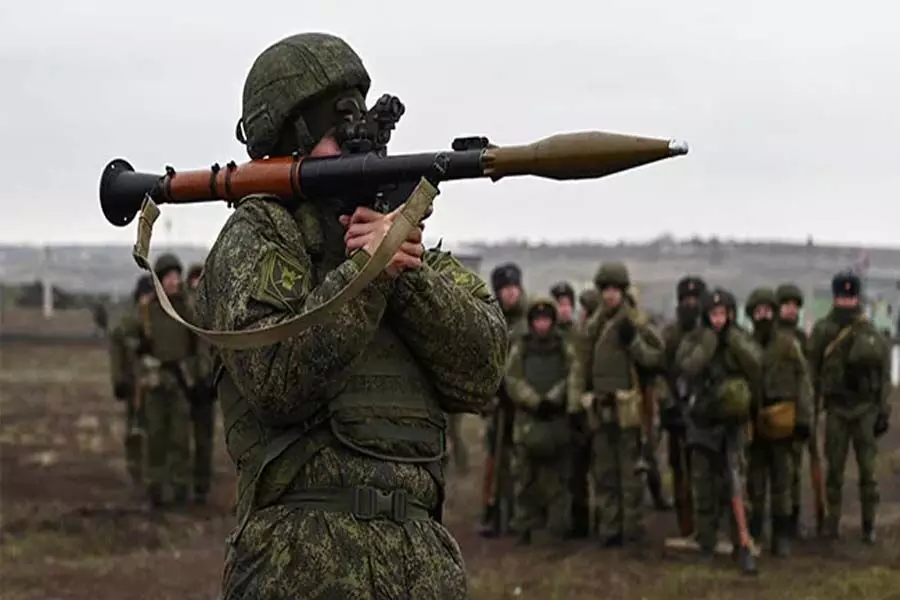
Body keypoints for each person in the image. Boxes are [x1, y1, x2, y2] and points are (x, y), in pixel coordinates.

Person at [194, 33, 508, 599]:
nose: (360, 147)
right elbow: (276, 378)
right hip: (300, 564)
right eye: (338, 134)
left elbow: (482, 373)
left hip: (422, 563)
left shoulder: (406, 247)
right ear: (290, 139)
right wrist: (369, 271)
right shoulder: (261, 235)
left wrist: (403, 271)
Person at [569, 261, 664, 547]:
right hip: (600, 407)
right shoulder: (593, 326)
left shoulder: (635, 322)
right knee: (605, 473)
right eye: (605, 290)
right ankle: (610, 529)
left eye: (615, 290)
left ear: (623, 291)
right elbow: (580, 364)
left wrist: (633, 342)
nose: (610, 295)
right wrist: (576, 404)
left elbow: (655, 358)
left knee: (630, 473)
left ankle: (631, 530)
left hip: (629, 410)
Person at [675, 288, 760, 573]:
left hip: (732, 424)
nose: (718, 319)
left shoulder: (739, 339)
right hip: (701, 422)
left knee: (735, 485)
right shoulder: (695, 339)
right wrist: (708, 344)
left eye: (723, 314)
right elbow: (687, 366)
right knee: (703, 486)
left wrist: (733, 340)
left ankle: (742, 542)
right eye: (713, 314)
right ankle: (707, 543)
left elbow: (756, 365)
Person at [807, 271, 891, 543]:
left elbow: (883, 374)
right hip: (836, 410)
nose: (846, 302)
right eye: (843, 297)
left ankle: (869, 526)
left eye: (850, 297)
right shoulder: (822, 330)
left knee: (868, 472)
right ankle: (832, 522)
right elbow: (813, 371)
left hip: (865, 410)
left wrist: (882, 410)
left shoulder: (870, 331)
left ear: (856, 297)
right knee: (834, 470)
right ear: (835, 297)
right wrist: (812, 407)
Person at [122, 254, 200, 507]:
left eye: (177, 276)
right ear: (159, 280)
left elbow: (199, 345)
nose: (174, 281)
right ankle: (154, 489)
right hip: (155, 382)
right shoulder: (147, 311)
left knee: (180, 438)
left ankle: (179, 488)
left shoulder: (187, 310)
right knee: (155, 437)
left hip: (180, 382)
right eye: (168, 277)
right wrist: (141, 353)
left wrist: (198, 374)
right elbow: (126, 337)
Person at [743, 287, 813, 557]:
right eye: (758, 311)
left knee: (782, 484)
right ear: (751, 315)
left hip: (784, 423)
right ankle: (757, 532)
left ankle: (782, 536)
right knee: (756, 484)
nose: (763, 316)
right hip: (755, 424)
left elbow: (803, 381)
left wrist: (803, 420)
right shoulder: (745, 345)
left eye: (767, 311)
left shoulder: (788, 345)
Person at [505, 296, 578, 545]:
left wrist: (554, 398)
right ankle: (524, 526)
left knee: (559, 479)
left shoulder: (563, 346)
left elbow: (573, 375)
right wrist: (534, 401)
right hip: (528, 423)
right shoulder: (522, 347)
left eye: (547, 319)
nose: (542, 324)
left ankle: (559, 527)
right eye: (538, 319)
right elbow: (512, 379)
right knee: (525, 479)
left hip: (556, 422)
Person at [479, 262, 528, 537]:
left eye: (514, 288)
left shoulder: (528, 323)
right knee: (493, 460)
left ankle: (517, 513)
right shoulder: (492, 320)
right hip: (498, 404)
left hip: (520, 404)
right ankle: (492, 509)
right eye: (505, 289)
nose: (511, 294)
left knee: (518, 461)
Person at [660, 275, 706, 537]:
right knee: (680, 471)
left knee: (706, 471)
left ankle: (707, 522)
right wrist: (668, 402)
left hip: (705, 415)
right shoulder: (670, 335)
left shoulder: (709, 335)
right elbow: (659, 371)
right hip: (677, 413)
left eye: (694, 299)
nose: (690, 304)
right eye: (685, 300)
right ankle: (685, 522)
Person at [108, 274, 154, 490]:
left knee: (154, 428)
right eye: (145, 294)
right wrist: (119, 381)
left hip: (152, 383)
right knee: (135, 428)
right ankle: (136, 470)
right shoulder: (127, 321)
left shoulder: (156, 318)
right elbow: (118, 353)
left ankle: (151, 470)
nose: (147, 299)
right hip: (133, 383)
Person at [185, 263, 216, 504]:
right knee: (180, 438)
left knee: (204, 439)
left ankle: (201, 486)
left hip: (208, 384)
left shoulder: (214, 309)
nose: (196, 284)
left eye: (200, 279)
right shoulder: (183, 311)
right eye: (193, 280)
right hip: (186, 384)